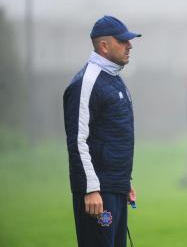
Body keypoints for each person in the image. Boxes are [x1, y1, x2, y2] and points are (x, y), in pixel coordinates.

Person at [63, 15, 141, 247]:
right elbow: (78, 141)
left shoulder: (114, 79)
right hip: (97, 193)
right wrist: (90, 189)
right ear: (104, 46)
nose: (130, 45)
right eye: (123, 41)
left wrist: (123, 182)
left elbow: (112, 137)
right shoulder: (86, 83)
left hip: (113, 188)